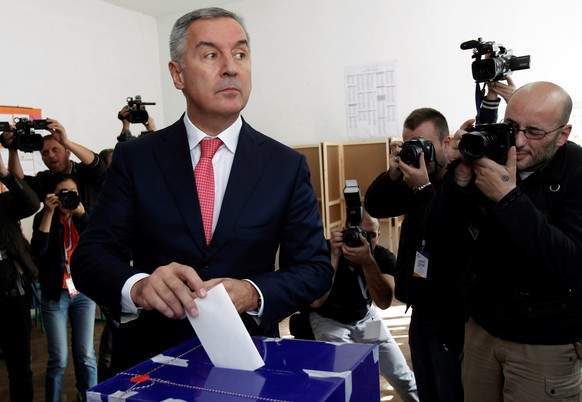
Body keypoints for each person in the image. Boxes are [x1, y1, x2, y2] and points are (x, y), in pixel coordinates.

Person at [70, 7, 333, 373]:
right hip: (154, 363)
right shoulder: (136, 159)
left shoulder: (285, 166)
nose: (231, 67)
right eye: (211, 54)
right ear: (177, 74)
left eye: (240, 54)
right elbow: (90, 258)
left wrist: (252, 292)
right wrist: (140, 286)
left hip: (251, 361)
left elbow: (315, 268)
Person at [427, 81, 582, 401]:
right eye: (511, 127)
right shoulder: (490, 153)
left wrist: (508, 198)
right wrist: (458, 181)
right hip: (482, 328)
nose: (519, 141)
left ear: (562, 135)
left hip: (544, 343)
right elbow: (439, 237)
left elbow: (573, 262)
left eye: (535, 132)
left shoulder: (577, 171)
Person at [364, 107, 463, 402]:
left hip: (450, 315)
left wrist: (422, 187)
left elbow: (447, 231)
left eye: (424, 145)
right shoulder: (416, 180)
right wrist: (393, 174)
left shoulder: (460, 182)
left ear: (446, 144)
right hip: (420, 309)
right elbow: (377, 205)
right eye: (411, 146)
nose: (418, 153)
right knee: (427, 388)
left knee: (450, 389)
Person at [309, 210, 419, 402]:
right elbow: (316, 301)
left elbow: (384, 302)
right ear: (346, 232)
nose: (365, 241)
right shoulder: (325, 250)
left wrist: (368, 262)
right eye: (361, 234)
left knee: (402, 376)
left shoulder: (382, 257)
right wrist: (334, 257)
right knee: (341, 378)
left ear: (379, 234)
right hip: (328, 318)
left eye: (372, 235)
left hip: (366, 317)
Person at [31, 173, 97, 402]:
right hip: (54, 294)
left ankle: (90, 398)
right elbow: (38, 254)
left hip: (83, 293)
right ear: (54, 196)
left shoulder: (86, 215)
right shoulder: (44, 216)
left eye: (72, 193)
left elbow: (100, 244)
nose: (68, 198)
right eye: (63, 194)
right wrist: (49, 213)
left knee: (86, 355)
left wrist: (81, 215)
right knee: (58, 359)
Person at [0, 152, 40, 401]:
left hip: (12, 296)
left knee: (19, 369)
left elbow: (31, 204)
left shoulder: (3, 203)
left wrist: (5, 174)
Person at [4, 118, 107, 208]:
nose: (51, 155)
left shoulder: (84, 171)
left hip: (89, 228)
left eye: (55, 150)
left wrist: (66, 142)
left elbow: (97, 164)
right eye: (45, 153)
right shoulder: (45, 179)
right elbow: (19, 184)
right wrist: (12, 150)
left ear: (68, 152)